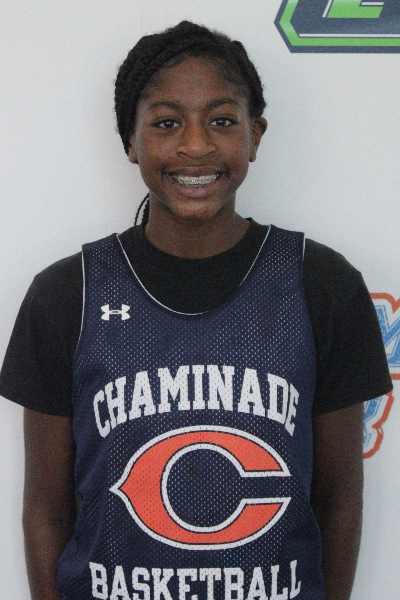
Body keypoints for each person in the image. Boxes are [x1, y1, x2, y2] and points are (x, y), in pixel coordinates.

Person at [0, 20, 392, 600]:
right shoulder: (67, 294)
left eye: (222, 121)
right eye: (166, 123)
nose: (196, 145)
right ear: (130, 140)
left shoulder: (322, 284)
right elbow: (46, 511)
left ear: (255, 135)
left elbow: (339, 502)